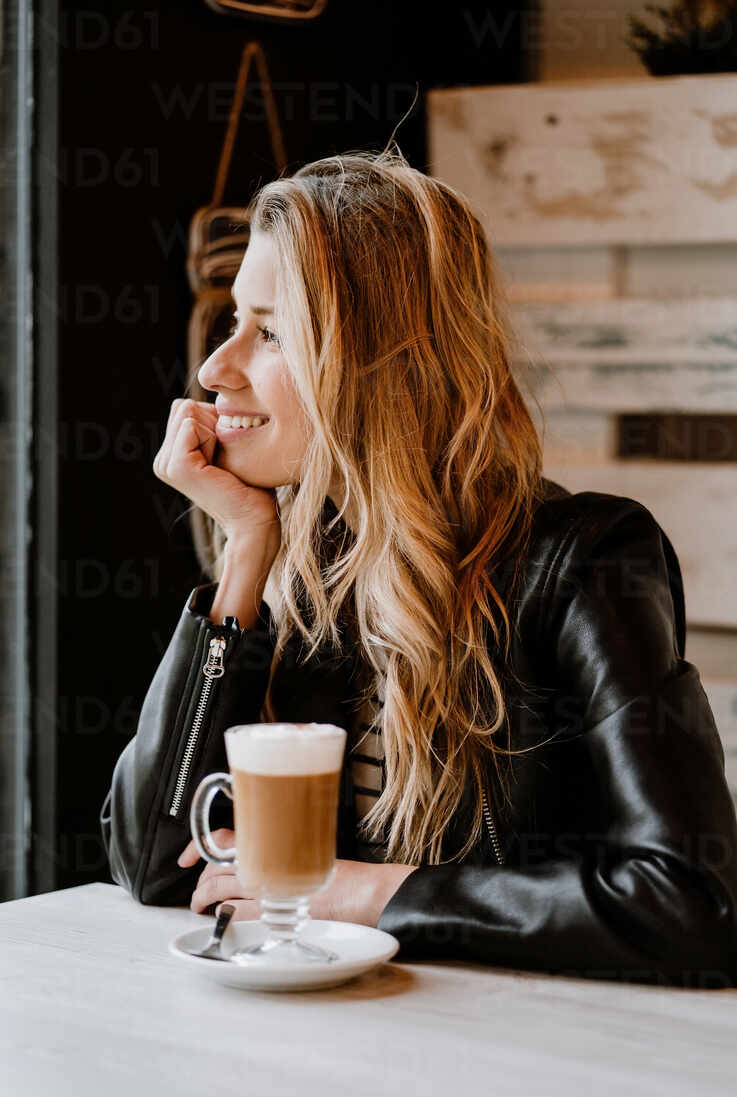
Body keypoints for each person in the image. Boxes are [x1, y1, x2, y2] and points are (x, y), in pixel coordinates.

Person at [100, 145, 737, 988]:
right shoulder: (306, 566)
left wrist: (367, 893)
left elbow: (688, 905)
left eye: (272, 333)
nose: (216, 371)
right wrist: (246, 550)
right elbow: (155, 863)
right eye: (231, 324)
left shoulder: (585, 562)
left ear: (381, 365)